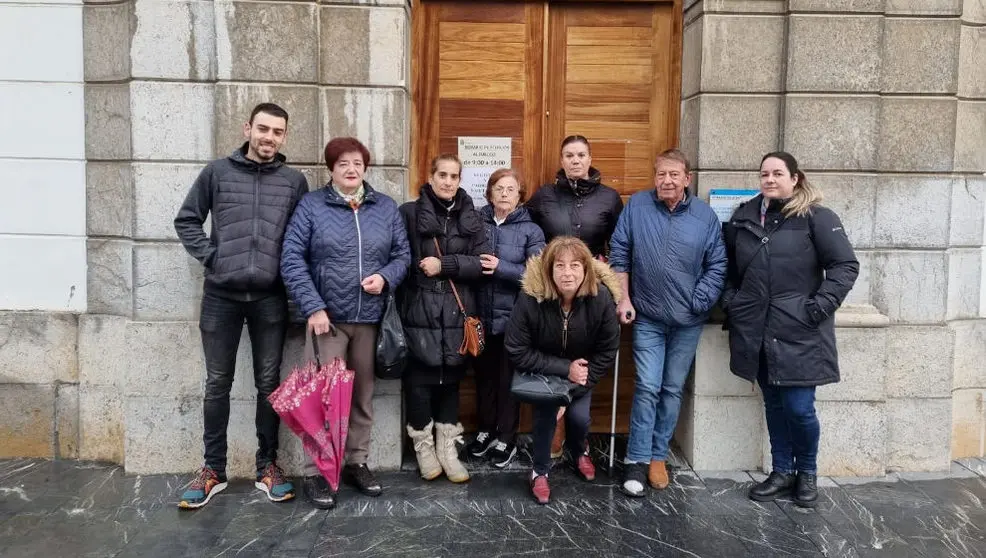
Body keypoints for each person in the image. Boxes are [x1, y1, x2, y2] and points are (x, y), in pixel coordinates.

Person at [174, 103, 309, 509]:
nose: (269, 137)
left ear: (284, 136)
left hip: (269, 297)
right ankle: (213, 469)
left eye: (278, 132)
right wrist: (214, 257)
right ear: (248, 128)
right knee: (218, 383)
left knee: (269, 385)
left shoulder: (293, 181)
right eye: (263, 129)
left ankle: (268, 465)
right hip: (221, 297)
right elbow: (187, 221)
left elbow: (302, 236)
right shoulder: (217, 173)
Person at [721, 152, 858, 508]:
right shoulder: (743, 218)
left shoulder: (817, 217)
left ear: (795, 178)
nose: (769, 179)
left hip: (800, 330)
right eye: (764, 173)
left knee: (799, 407)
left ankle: (807, 473)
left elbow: (845, 265)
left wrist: (819, 306)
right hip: (757, 329)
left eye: (777, 173)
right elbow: (729, 270)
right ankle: (782, 471)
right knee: (774, 405)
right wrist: (734, 302)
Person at [280, 137, 411, 509]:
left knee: (362, 397)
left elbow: (403, 254)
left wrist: (386, 277)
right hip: (328, 321)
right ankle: (317, 472)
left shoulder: (384, 207)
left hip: (370, 320)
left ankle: (356, 461)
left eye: (357, 163)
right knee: (322, 398)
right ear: (331, 170)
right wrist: (314, 308)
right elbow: (291, 258)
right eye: (343, 164)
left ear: (365, 168)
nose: (351, 169)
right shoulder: (312, 206)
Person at [609, 149, 727, 497]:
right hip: (647, 317)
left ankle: (658, 456)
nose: (667, 180)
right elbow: (620, 252)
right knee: (648, 386)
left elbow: (717, 264)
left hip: (688, 322)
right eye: (661, 174)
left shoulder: (705, 216)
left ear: (687, 179)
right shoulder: (638, 206)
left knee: (673, 388)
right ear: (654, 176)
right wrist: (623, 298)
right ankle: (636, 459)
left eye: (674, 174)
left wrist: (699, 300)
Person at [526, 134, 624, 457]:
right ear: (562, 158)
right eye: (569, 155)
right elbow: (526, 229)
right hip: (554, 286)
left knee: (584, 350)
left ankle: (578, 427)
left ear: (590, 157)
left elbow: (619, 244)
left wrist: (616, 287)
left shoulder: (609, 198)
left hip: (592, 288)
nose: (575, 160)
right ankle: (557, 422)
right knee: (555, 348)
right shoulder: (544, 196)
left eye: (581, 154)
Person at [504, 236, 621, 504]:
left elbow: (607, 349)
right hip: (544, 371)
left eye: (575, 266)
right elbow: (516, 347)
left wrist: (574, 385)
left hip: (582, 373)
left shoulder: (600, 298)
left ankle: (580, 451)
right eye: (559, 266)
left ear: (586, 270)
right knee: (546, 418)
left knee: (579, 419)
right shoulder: (530, 298)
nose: (567, 273)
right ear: (549, 269)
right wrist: (562, 369)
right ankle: (539, 471)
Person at [399, 154, 491, 483]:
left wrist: (445, 265)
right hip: (419, 308)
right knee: (420, 382)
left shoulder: (472, 216)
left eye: (454, 176)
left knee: (451, 381)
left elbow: (480, 263)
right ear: (431, 175)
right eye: (442, 175)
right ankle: (424, 448)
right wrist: (420, 269)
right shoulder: (409, 213)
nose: (448, 181)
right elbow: (400, 257)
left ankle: (448, 449)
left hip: (456, 309)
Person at [467, 169, 545, 468]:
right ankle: (485, 431)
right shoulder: (476, 222)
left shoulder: (531, 230)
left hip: (514, 320)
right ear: (489, 192)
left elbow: (536, 276)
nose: (503, 194)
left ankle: (506, 438)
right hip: (479, 318)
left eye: (510, 189)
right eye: (498, 188)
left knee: (507, 381)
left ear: (519, 195)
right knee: (483, 379)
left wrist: (501, 267)